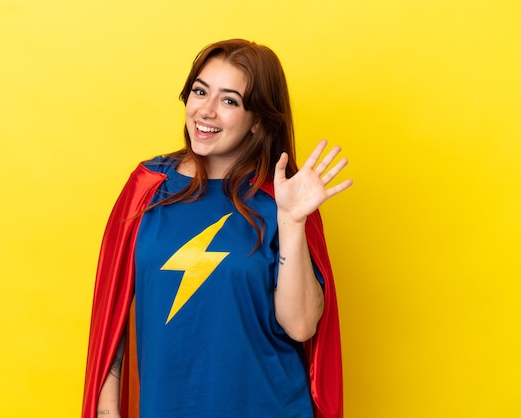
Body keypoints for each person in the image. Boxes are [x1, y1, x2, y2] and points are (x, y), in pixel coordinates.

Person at [82, 38, 352, 418]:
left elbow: (303, 326)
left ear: (257, 120)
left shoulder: (284, 198)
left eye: (229, 101)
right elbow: (112, 319)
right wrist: (107, 411)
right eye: (199, 91)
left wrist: (291, 223)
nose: (206, 111)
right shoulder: (147, 187)